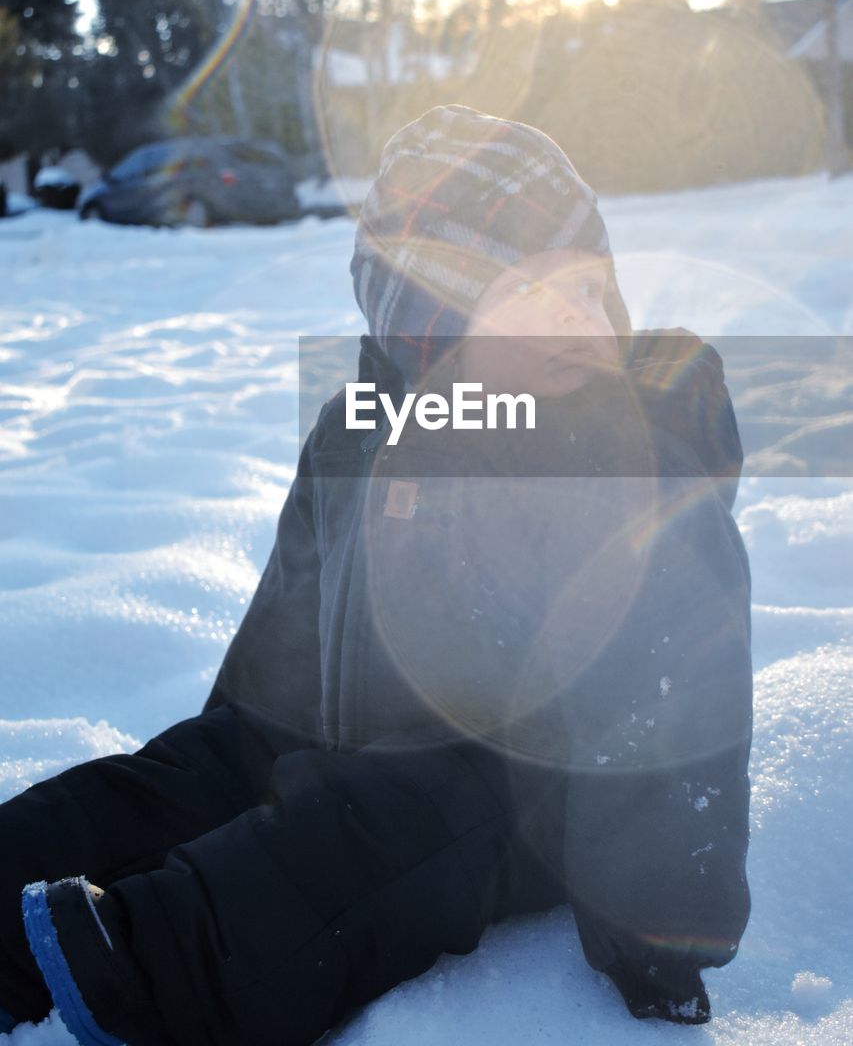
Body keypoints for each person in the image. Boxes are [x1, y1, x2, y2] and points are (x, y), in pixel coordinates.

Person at [0, 106, 752, 1046]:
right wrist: (232, 748)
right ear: (428, 333)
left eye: (590, 288)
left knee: (382, 826)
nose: (577, 321)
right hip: (350, 731)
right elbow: (292, 612)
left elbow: (670, 686)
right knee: (182, 773)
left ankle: (156, 963)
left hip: (525, 792)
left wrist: (661, 933)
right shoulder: (360, 432)